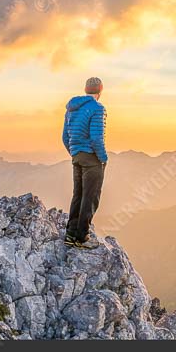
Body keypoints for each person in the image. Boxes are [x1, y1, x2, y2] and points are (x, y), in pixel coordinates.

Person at [62, 76, 109, 247]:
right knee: (90, 197)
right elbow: (97, 138)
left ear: (85, 90)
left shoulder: (71, 108)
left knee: (78, 195)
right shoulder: (98, 108)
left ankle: (70, 235)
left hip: (77, 156)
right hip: (92, 158)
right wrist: (103, 158)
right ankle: (82, 238)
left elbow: (65, 137)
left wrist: (75, 153)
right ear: (100, 91)